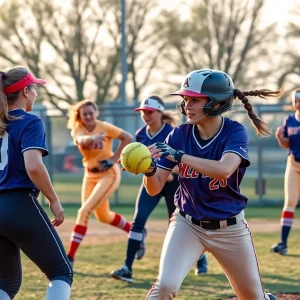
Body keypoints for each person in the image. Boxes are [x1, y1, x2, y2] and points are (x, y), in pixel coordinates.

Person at [142, 69, 281, 300]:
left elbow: (225, 169)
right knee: (164, 286)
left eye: (195, 99)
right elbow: (154, 188)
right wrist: (149, 169)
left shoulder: (234, 132)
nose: (187, 104)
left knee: (253, 297)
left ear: (217, 103)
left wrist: (180, 156)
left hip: (230, 229)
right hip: (187, 224)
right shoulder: (178, 135)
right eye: (185, 99)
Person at [110, 96, 208, 283]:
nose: (145, 115)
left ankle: (200, 258)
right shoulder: (140, 134)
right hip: (151, 182)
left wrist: (169, 171)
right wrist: (133, 164)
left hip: (173, 185)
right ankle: (127, 268)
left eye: (149, 111)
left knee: (181, 226)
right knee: (138, 220)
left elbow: (187, 163)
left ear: (160, 112)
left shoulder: (173, 133)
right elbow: (144, 164)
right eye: (143, 112)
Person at [0, 66, 73, 300]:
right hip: (18, 203)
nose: (36, 94)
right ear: (24, 92)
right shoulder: (30, 121)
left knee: (6, 284)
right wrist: (53, 200)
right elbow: (33, 166)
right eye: (34, 88)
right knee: (61, 272)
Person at [66, 99, 133, 266]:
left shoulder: (105, 127)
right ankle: (135, 232)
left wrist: (114, 158)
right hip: (89, 176)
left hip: (108, 174)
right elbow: (80, 140)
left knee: (84, 211)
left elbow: (127, 137)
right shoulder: (78, 129)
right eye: (84, 114)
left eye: (91, 113)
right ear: (80, 116)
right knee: (104, 216)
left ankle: (70, 257)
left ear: (96, 113)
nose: (88, 116)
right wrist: (92, 138)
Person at [271, 88, 300, 256]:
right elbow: (287, 145)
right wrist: (280, 138)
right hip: (294, 165)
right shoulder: (289, 120)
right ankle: (283, 244)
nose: (298, 103)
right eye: (296, 100)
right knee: (289, 203)